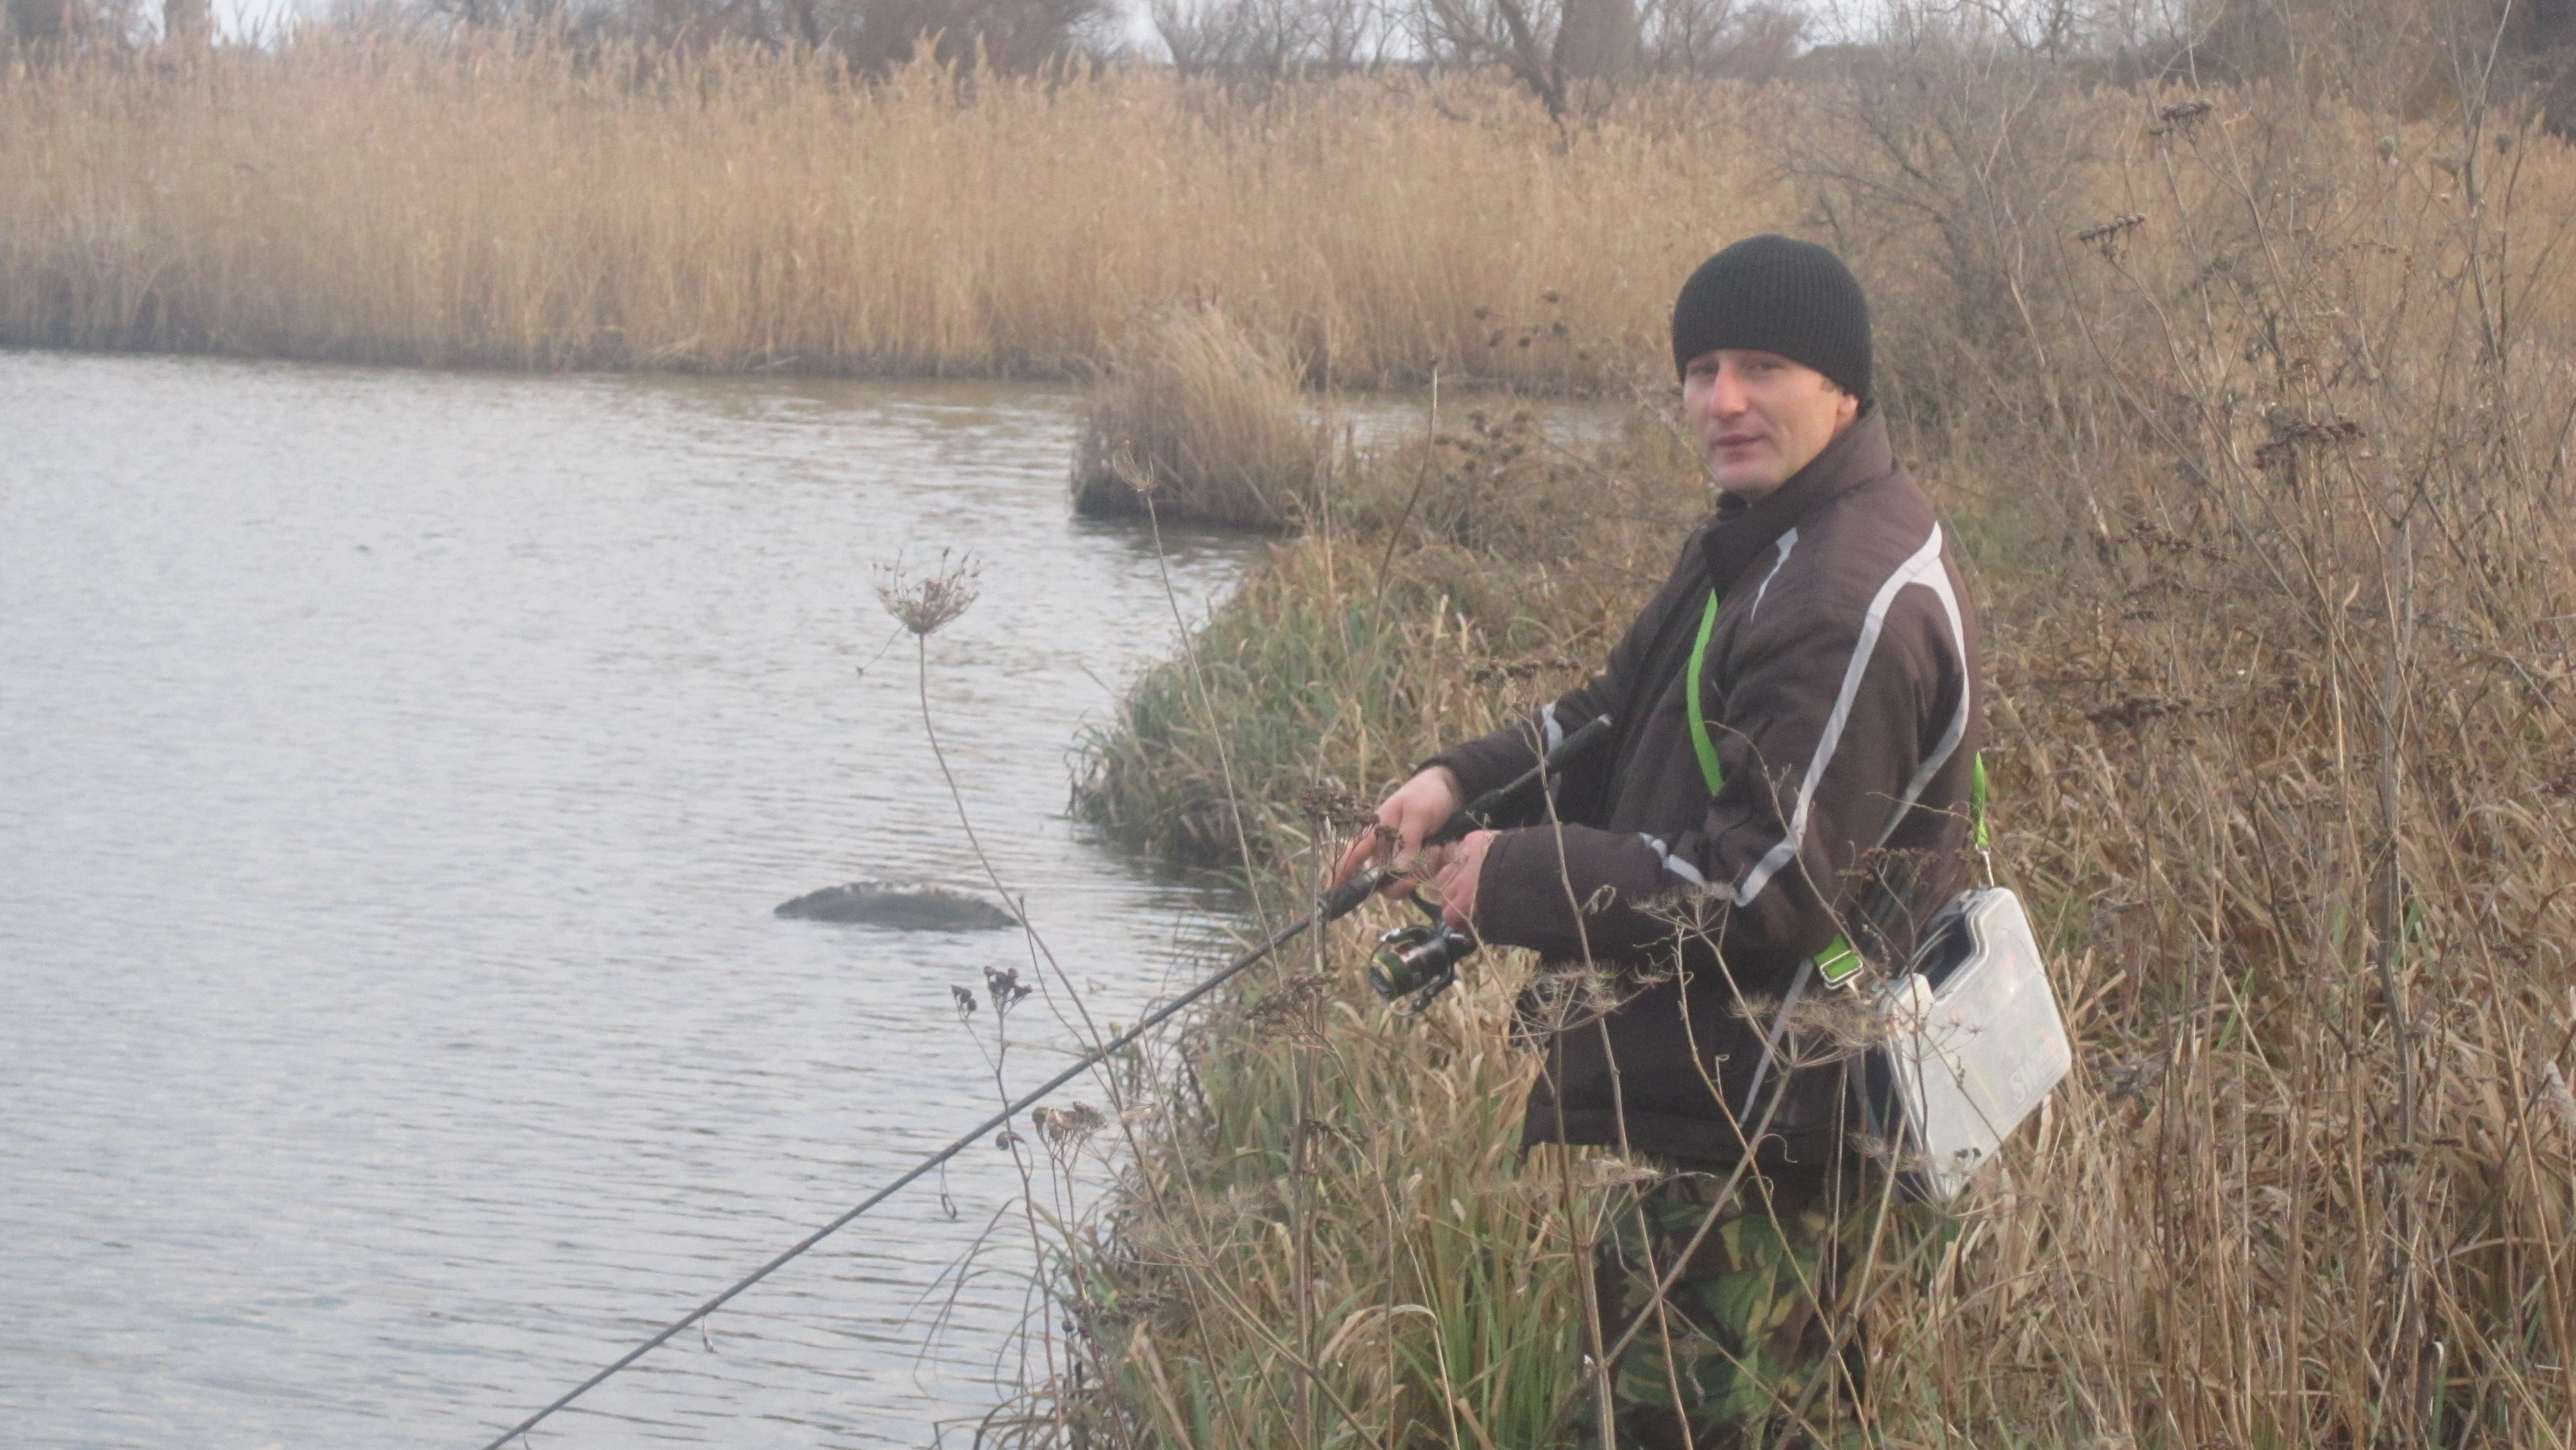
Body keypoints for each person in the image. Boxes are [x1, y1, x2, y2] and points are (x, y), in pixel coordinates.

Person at [1330, 235, 1984, 1448]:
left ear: (1842, 387)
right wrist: (1456, 787)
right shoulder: (1760, 539)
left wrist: (1514, 876)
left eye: (1763, 368)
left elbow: (1761, 891)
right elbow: (1615, 713)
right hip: (1722, 1107)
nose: (1723, 400)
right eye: (1702, 369)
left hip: (1771, 1142)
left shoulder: (1841, 600)